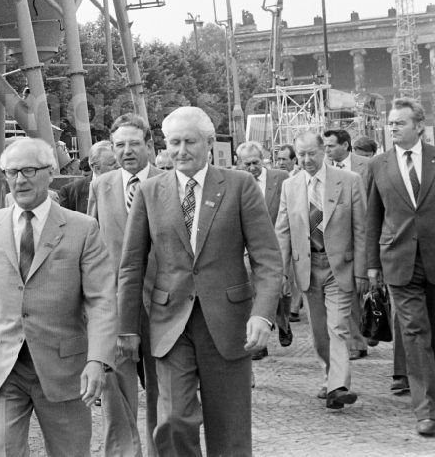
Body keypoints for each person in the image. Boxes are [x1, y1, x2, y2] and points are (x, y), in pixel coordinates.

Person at [117, 106, 282, 457]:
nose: (180, 151)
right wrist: (127, 327)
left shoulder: (240, 186)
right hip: (168, 323)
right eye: (173, 142)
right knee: (174, 419)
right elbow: (131, 265)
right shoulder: (149, 192)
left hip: (227, 321)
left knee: (229, 426)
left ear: (209, 143)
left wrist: (262, 314)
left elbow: (267, 258)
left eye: (189, 142)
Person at [0, 137, 115, 456]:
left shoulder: (82, 229)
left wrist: (98, 359)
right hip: (5, 364)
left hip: (64, 367)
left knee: (70, 452)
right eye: (12, 171)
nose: (20, 179)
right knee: (3, 449)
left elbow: (102, 299)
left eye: (30, 170)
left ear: (50, 172)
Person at [276, 132, 367, 409]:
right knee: (318, 332)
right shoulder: (290, 186)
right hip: (307, 267)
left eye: (311, 154)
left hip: (339, 266)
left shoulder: (349, 181)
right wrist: (280, 273)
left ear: (322, 151)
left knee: (337, 326)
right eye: (301, 155)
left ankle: (339, 386)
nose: (306, 160)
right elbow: (282, 232)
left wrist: (363, 270)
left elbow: (362, 229)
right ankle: (329, 376)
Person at [87, 114, 159, 457]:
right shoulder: (101, 186)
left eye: (134, 143)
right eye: (119, 145)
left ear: (149, 145)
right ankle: (123, 452)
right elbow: (92, 244)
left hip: (163, 302)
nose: (127, 151)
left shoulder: (170, 181)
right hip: (113, 301)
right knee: (115, 387)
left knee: (165, 392)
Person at [365, 98, 435, 437]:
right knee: (415, 333)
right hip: (399, 262)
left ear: (418, 126)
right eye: (390, 123)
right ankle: (427, 411)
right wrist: (371, 265)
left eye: (400, 123)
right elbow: (372, 217)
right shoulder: (379, 165)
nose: (393, 128)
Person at [235, 140, 292, 356]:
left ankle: (283, 322)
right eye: (246, 164)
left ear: (263, 158)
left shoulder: (281, 178)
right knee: (255, 291)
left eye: (255, 162)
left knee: (281, 291)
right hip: (249, 248)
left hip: (277, 245)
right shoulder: (238, 182)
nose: (252, 168)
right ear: (239, 163)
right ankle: (259, 342)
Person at [323, 128, 372, 359]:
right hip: (339, 243)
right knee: (347, 295)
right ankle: (356, 342)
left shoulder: (366, 165)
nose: (327, 150)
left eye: (331, 146)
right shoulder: (324, 169)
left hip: (366, 233)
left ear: (345, 144)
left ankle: (370, 328)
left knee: (366, 290)